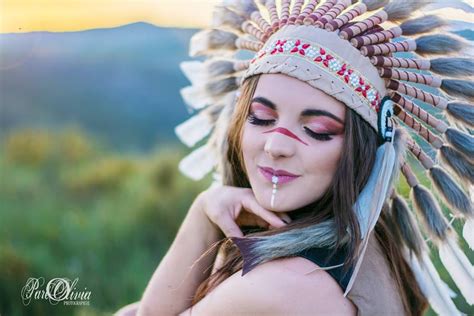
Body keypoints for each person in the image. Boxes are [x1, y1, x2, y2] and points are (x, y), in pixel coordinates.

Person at [117, 0, 474, 315]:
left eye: (317, 129)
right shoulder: (370, 244)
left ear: (361, 151)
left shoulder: (282, 287)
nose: (276, 145)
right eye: (261, 118)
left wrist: (202, 213)